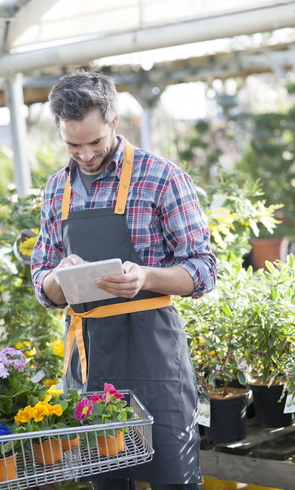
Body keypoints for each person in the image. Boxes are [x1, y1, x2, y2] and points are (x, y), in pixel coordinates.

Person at [31, 69, 217, 490]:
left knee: (174, 475)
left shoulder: (161, 177)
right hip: (91, 352)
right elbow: (41, 272)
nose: (86, 154)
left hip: (153, 351)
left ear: (114, 121)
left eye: (95, 142)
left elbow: (204, 269)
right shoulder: (55, 189)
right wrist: (55, 282)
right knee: (106, 478)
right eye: (72, 144)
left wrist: (147, 276)